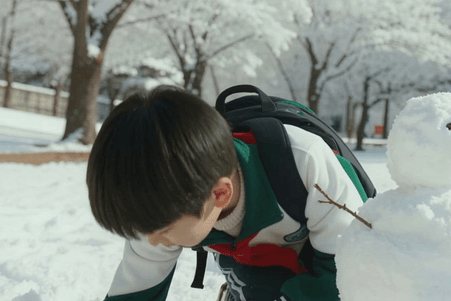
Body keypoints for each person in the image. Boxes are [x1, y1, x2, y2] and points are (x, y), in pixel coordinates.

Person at [87, 86, 364, 301]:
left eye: (165, 230)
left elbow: (349, 280)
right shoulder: (164, 206)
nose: (153, 241)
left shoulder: (306, 164)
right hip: (254, 260)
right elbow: (134, 292)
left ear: (219, 194)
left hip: (333, 262)